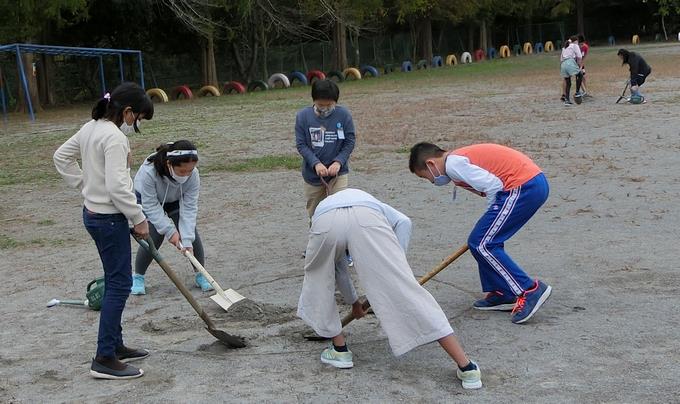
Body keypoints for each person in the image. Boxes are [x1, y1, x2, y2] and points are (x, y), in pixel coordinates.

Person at [297, 188, 482, 389]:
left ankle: (340, 350)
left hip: (326, 223)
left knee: (319, 278)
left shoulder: (323, 209)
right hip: (367, 217)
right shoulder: (375, 204)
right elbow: (404, 222)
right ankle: (467, 368)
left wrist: (354, 303)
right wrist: (397, 270)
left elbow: (338, 270)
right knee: (411, 294)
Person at [53, 82, 154, 380]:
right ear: (127, 111)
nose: (137, 123)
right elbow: (118, 187)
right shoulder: (113, 137)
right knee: (120, 284)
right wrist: (139, 218)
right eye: (139, 117)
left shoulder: (91, 127)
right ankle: (104, 358)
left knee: (114, 280)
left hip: (93, 215)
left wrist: (86, 186)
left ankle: (116, 344)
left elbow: (60, 157)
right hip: (109, 220)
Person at [408, 142, 552, 325]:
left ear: (431, 164)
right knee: (482, 241)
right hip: (530, 184)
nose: (431, 181)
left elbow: (493, 186)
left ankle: (529, 289)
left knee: (482, 243)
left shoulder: (453, 165)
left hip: (522, 187)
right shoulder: (457, 161)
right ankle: (503, 292)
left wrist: (491, 216)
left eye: (425, 177)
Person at [131, 140, 213, 294]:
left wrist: (186, 238)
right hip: (149, 201)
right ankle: (138, 277)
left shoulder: (193, 175)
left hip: (175, 199)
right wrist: (170, 231)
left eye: (190, 170)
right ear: (169, 164)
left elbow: (189, 207)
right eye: (182, 171)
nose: (187, 175)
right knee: (155, 235)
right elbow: (151, 206)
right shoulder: (149, 173)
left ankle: (201, 275)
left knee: (191, 235)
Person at [560, 36, 584, 105]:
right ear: (575, 41)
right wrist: (580, 67)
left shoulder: (564, 47)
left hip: (563, 64)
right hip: (570, 62)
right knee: (580, 74)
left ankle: (567, 100)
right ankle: (577, 92)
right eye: (577, 41)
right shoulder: (575, 45)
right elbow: (579, 57)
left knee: (568, 83)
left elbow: (561, 59)